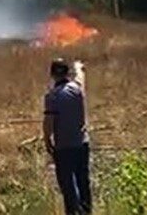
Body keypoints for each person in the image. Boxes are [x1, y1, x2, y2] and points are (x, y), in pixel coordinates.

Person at [43, 58, 91, 215]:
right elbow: (80, 80)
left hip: (64, 147)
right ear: (67, 73)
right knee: (83, 181)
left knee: (68, 185)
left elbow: (49, 121)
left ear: (52, 75)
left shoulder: (52, 96)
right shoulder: (77, 89)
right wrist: (79, 68)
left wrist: (47, 139)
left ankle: (74, 212)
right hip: (82, 143)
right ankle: (86, 211)